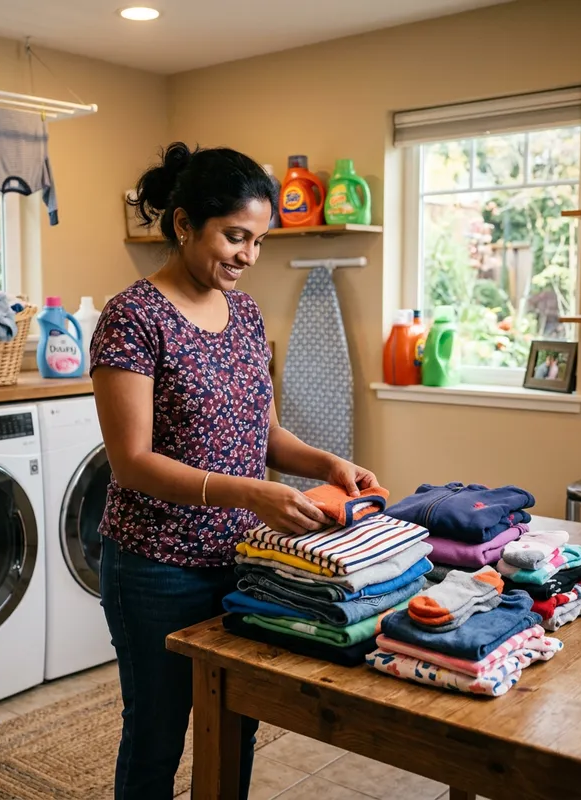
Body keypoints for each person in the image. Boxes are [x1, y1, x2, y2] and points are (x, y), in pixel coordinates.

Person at [90, 142, 378, 800]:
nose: (249, 256)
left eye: (259, 241)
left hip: (243, 562)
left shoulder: (245, 315)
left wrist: (328, 463)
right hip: (155, 566)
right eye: (235, 236)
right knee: (157, 734)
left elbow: (263, 433)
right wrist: (250, 494)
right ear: (184, 223)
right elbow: (132, 463)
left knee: (237, 724)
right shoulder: (133, 318)